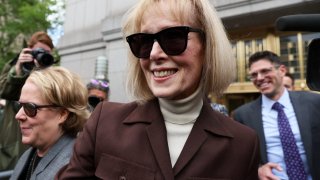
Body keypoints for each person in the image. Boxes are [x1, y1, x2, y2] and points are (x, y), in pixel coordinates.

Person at [56, 0, 260, 179]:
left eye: (173, 37)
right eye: (143, 42)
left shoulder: (243, 144)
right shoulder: (104, 122)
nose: (154, 54)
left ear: (207, 46)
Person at [233, 50, 320, 180]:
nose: (259, 78)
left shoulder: (314, 102)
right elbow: (239, 158)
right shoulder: (243, 115)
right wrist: (258, 170)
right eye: (254, 75)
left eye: (265, 71)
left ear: (282, 70)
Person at [9, 66, 90, 180]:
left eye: (30, 108)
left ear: (62, 114)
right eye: (20, 105)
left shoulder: (73, 168)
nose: (18, 115)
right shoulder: (30, 154)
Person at [0, 31, 56, 171]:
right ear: (29, 50)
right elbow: (4, 91)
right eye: (39, 51)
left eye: (46, 52)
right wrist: (18, 69)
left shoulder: (53, 72)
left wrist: (42, 69)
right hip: (14, 131)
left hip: (41, 133)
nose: (42, 55)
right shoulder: (15, 66)